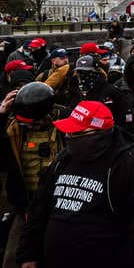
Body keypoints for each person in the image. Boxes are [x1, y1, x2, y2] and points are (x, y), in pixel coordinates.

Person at [16, 100, 134, 268]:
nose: (69, 137)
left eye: (76, 132)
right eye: (68, 132)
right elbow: (39, 209)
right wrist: (29, 253)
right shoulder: (64, 159)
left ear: (98, 132)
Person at [0, 83, 63, 268]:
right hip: (25, 207)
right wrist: (1, 116)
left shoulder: (63, 122)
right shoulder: (12, 128)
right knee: (14, 258)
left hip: (57, 207)